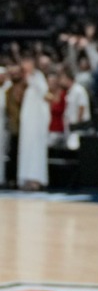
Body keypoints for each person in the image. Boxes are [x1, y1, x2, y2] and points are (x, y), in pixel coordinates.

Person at [17, 55, 50, 191]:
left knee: (35, 150)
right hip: (27, 125)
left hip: (36, 124)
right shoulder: (27, 81)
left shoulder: (38, 77)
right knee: (26, 149)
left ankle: (36, 179)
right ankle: (26, 177)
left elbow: (44, 93)